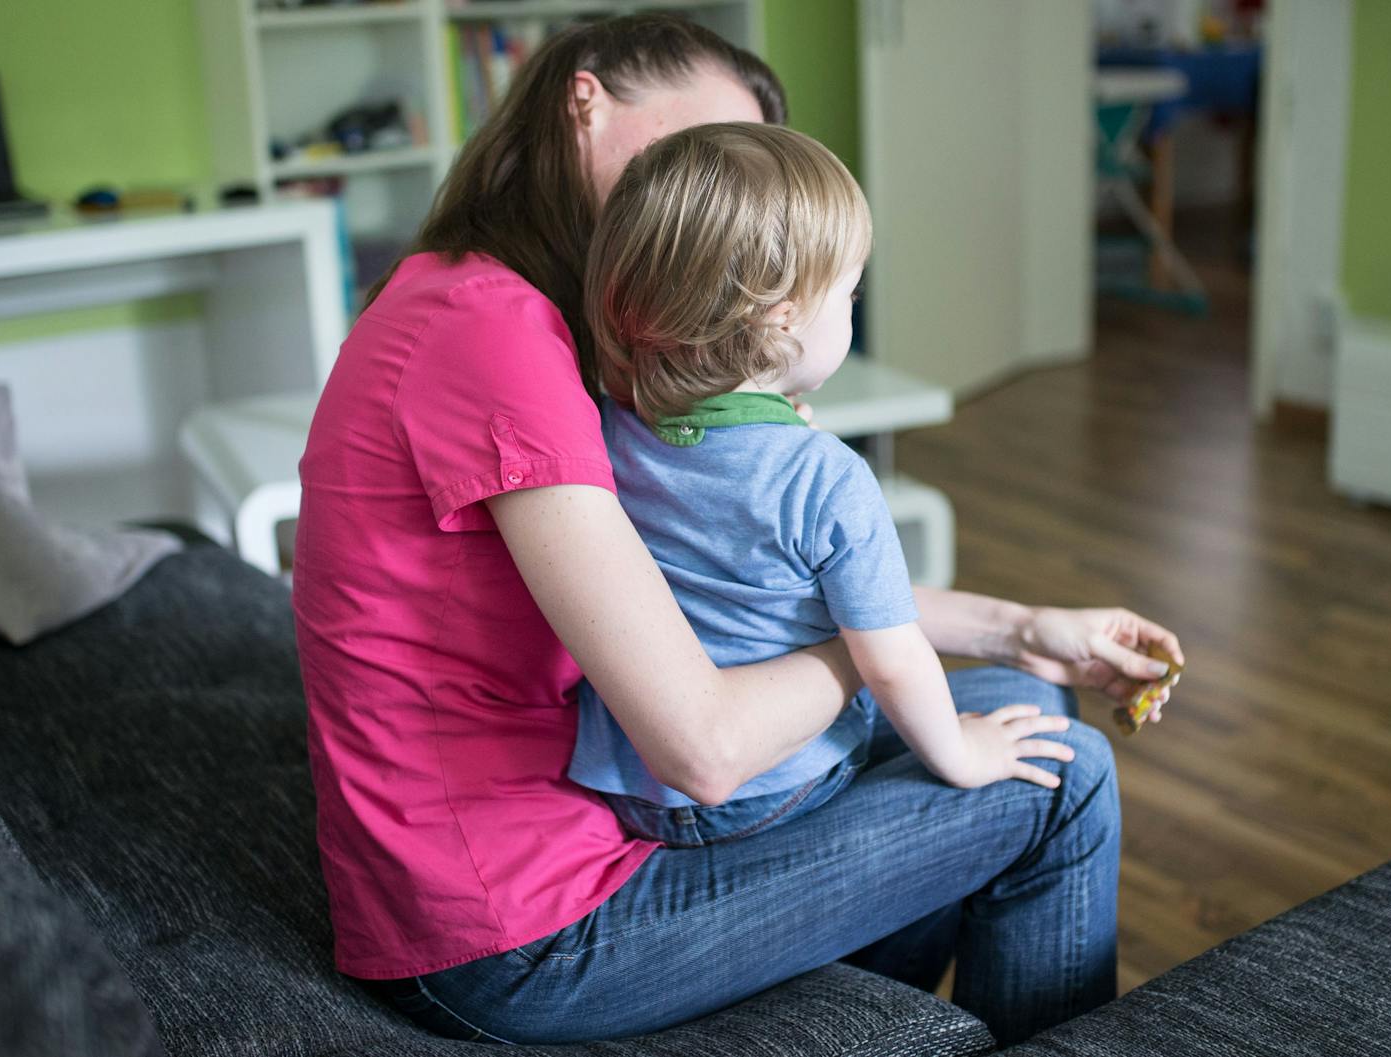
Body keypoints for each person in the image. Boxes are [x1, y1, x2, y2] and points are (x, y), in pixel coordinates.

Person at [291, 13, 1184, 1047]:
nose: (723, 208)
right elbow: (705, 749)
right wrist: (871, 652)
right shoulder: (495, 338)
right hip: (514, 927)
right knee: (1059, 780)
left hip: (594, 803)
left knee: (1022, 695)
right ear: (587, 103)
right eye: (701, 159)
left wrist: (1021, 625)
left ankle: (839, 1002)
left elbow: (744, 586)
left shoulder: (514, 311)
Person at [570, 123, 1094, 850]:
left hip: (629, 788)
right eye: (849, 292)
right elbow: (893, 655)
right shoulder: (826, 478)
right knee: (1052, 757)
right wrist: (965, 754)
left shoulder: (604, 432)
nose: (853, 307)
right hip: (774, 790)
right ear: (780, 318)